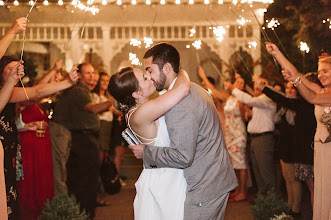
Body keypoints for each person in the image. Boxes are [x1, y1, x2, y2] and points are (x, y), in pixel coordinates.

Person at [128, 43, 237, 220]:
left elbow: (183, 156)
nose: (149, 76)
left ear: (167, 67)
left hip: (205, 186)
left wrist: (146, 153)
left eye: (150, 70)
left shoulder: (180, 105)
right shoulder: (188, 87)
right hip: (212, 178)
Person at [0, 56, 78, 219]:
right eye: (10, 69)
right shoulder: (6, 93)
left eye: (18, 69)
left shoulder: (14, 92)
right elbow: (36, 91)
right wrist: (65, 82)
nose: (16, 72)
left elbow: (37, 91)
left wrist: (64, 81)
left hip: (12, 150)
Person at [109, 66, 190, 219]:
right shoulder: (141, 113)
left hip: (169, 172)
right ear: (136, 93)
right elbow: (183, 88)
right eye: (145, 78)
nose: (149, 76)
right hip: (164, 180)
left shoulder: (141, 108)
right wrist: (179, 70)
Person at [265, 42, 331, 220]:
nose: (321, 75)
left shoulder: (325, 95)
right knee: (320, 190)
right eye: (319, 72)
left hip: (330, 150)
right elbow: (298, 74)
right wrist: (277, 53)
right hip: (321, 149)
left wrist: (295, 81)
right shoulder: (322, 89)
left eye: (325, 71)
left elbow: (312, 97)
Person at [256, 79, 316, 217]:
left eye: (292, 88)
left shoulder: (300, 105)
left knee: (295, 179)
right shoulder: (283, 108)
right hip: (284, 145)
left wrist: (265, 87)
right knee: (287, 178)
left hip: (295, 147)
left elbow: (280, 98)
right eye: (287, 88)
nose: (289, 90)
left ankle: (296, 210)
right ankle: (289, 205)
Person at [64, 63, 114, 218]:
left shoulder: (86, 90)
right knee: (85, 181)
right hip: (81, 140)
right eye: (88, 73)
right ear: (78, 75)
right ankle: (84, 213)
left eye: (93, 73)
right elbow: (93, 108)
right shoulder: (79, 91)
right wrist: (112, 100)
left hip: (88, 138)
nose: (92, 76)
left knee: (89, 180)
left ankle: (87, 212)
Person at [198, 67, 250, 202]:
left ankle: (243, 191)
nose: (238, 84)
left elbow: (246, 117)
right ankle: (238, 189)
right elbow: (214, 91)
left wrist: (247, 112)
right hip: (229, 134)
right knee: (234, 164)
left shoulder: (243, 100)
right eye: (237, 82)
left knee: (241, 163)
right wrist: (203, 77)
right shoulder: (229, 97)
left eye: (241, 83)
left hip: (239, 134)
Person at [225, 76, 277, 194]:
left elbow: (249, 100)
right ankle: (263, 201)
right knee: (258, 172)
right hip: (255, 139)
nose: (257, 86)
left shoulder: (267, 98)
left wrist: (233, 88)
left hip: (263, 139)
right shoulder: (259, 100)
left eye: (261, 84)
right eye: (256, 84)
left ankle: (273, 203)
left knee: (265, 172)